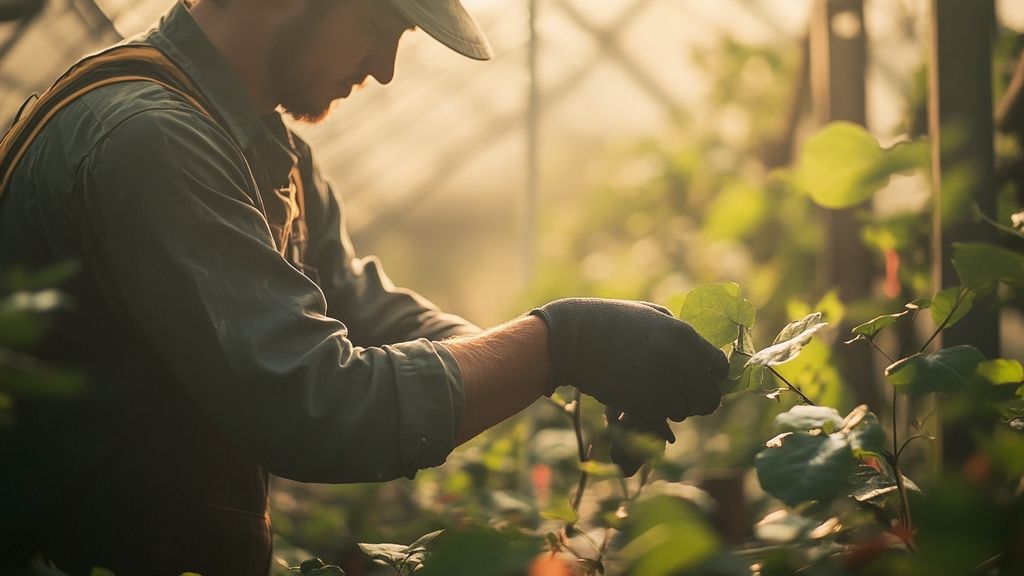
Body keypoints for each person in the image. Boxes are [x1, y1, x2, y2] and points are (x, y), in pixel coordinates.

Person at [0, 0, 728, 573]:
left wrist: (562, 366)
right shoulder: (149, 140)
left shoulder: (267, 151)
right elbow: (314, 405)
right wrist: (563, 342)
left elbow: (364, 310)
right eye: (381, 25)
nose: (384, 69)